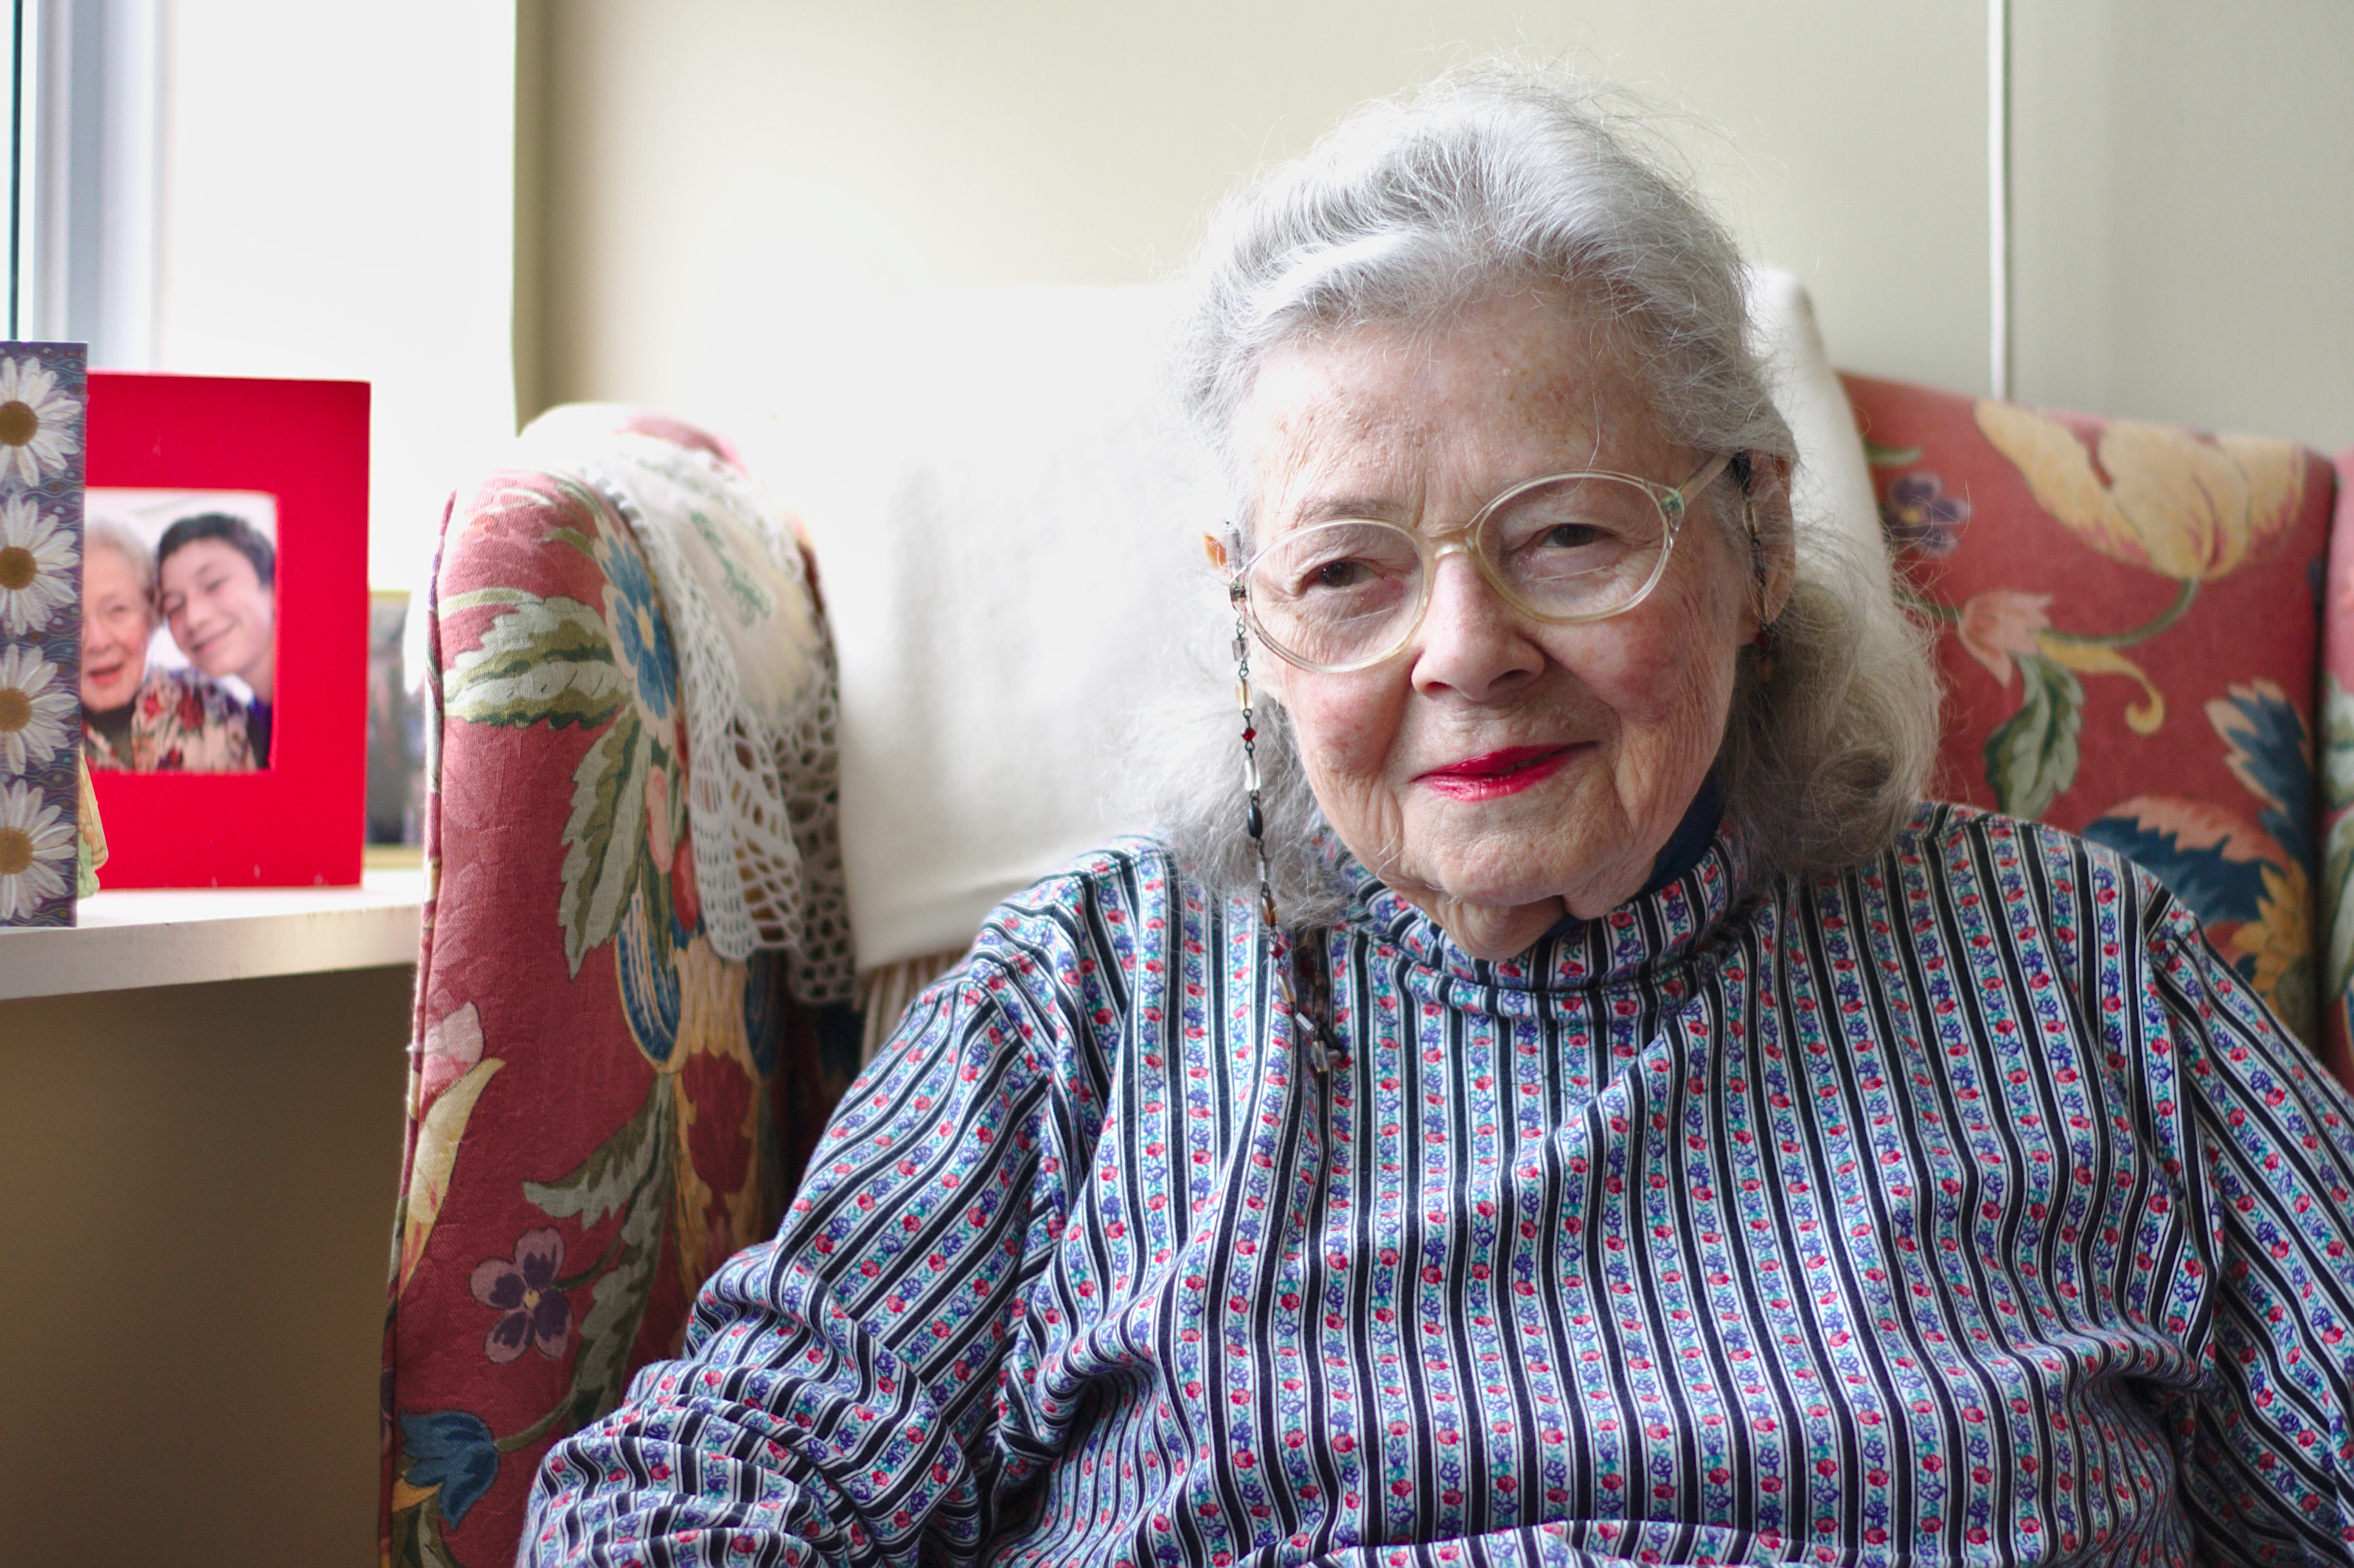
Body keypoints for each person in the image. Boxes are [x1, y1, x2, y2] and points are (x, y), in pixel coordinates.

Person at [522, 73, 2354, 1566]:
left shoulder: (2067, 967)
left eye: (1567, 533)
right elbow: (690, 1501)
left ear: (1756, 535)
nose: (1464, 651)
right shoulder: (1086, 998)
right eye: (1350, 570)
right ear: (1251, 613)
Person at [80, 519, 255, 772]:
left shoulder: (216, 707)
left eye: (117, 610)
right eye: (71, 620)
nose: (97, 642)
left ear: (151, 615)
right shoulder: (24, 737)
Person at [156, 511, 277, 763]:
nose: (193, 618)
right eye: (175, 607)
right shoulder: (248, 729)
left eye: (214, 584)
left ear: (272, 585)